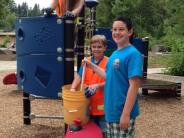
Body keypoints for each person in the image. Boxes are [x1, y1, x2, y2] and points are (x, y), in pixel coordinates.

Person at [82, 16, 143, 138]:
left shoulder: (133, 54)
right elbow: (109, 77)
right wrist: (91, 66)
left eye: (121, 29)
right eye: (114, 29)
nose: (116, 33)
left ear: (130, 32)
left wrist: (126, 114)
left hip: (121, 113)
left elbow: (134, 85)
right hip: (110, 111)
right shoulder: (115, 53)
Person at [70, 35, 108, 136]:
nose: (96, 49)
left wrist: (97, 86)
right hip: (87, 102)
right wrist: (73, 88)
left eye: (99, 47)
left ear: (105, 48)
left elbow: (111, 81)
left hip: (102, 104)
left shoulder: (108, 62)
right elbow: (79, 76)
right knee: (89, 130)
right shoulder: (86, 61)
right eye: (94, 46)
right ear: (90, 47)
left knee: (103, 131)